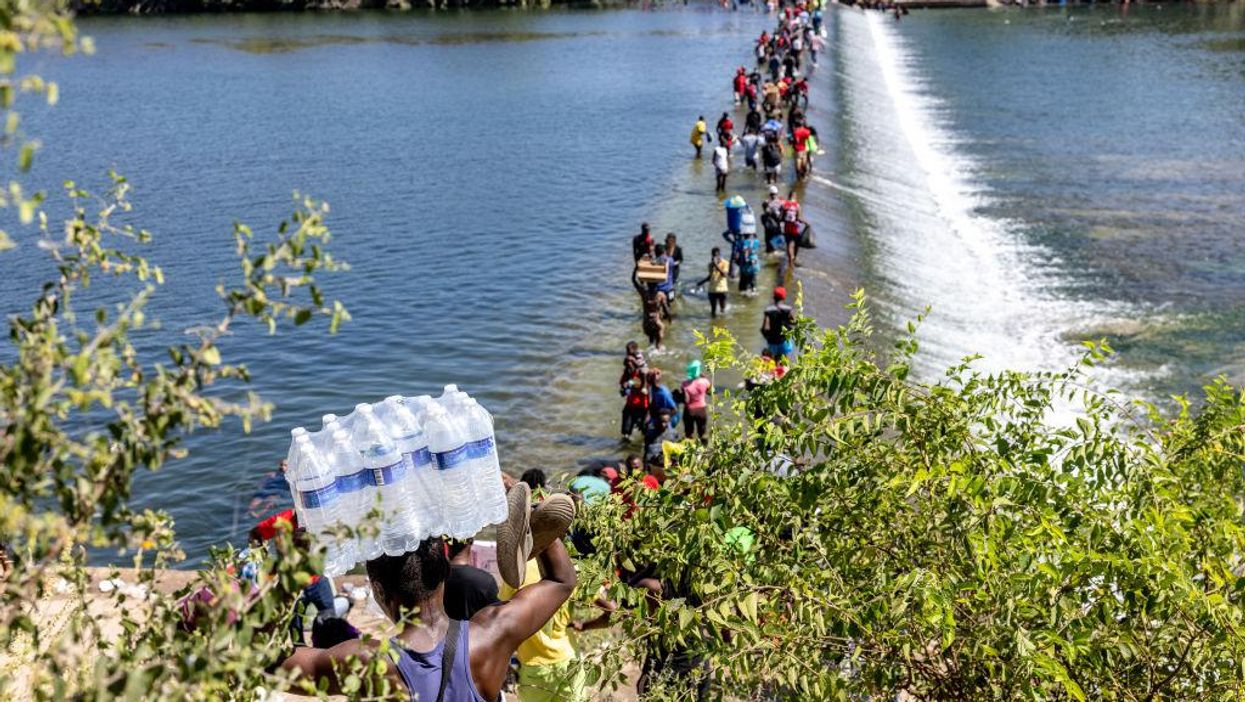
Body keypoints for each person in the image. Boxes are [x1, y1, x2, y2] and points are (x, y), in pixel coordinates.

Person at [280, 536, 577, 702]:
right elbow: (561, 580)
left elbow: (266, 662)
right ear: (446, 573)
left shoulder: (366, 663)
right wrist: (525, 509)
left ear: (379, 591)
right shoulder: (491, 634)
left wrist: (294, 564)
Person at [249, 509, 333, 646]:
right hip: (291, 585)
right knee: (295, 631)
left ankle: (323, 649)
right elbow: (255, 534)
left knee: (329, 620)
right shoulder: (282, 521)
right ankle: (304, 657)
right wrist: (264, 563)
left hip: (318, 581)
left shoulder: (320, 518)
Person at [444, 539, 501, 622]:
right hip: (475, 633)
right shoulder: (485, 581)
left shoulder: (435, 578)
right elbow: (496, 618)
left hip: (441, 633)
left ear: (446, 542)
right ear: (470, 542)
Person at [631, 268, 670, 351]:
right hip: (656, 321)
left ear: (647, 284)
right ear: (657, 285)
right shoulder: (660, 295)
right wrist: (669, 317)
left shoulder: (644, 293)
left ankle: (650, 358)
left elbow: (634, 281)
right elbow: (666, 309)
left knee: (651, 342)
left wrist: (636, 269)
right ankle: (658, 352)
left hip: (647, 322)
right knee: (659, 342)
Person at [680, 360, 713, 443]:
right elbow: (710, 393)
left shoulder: (684, 384)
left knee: (688, 433)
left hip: (689, 411)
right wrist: (705, 378)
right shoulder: (705, 382)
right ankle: (704, 450)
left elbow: (686, 400)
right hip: (701, 411)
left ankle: (689, 449)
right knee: (702, 433)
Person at [761, 286, 796, 360]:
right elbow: (795, 322)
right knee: (784, 360)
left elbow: (764, 328)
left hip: (772, 342)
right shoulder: (788, 310)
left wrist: (767, 337)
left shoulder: (768, 311)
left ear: (774, 297)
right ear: (784, 297)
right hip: (784, 342)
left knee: (773, 361)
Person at [620, 357, 651, 439]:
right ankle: (625, 447)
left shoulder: (643, 374)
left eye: (630, 367)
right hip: (630, 405)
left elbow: (652, 376)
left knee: (644, 430)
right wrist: (623, 389)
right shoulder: (626, 374)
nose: (629, 369)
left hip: (643, 407)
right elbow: (622, 387)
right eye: (627, 366)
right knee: (626, 431)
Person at [696, 248, 730, 318]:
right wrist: (702, 281)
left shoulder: (725, 263)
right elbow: (711, 276)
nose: (715, 257)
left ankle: (722, 325)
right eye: (713, 255)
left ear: (719, 255)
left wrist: (716, 266)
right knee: (713, 311)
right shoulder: (710, 265)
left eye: (717, 255)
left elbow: (724, 275)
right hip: (712, 290)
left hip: (722, 289)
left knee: (722, 311)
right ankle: (713, 325)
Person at [781, 193, 806, 268]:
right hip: (795, 227)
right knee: (795, 243)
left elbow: (782, 217)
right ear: (795, 197)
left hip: (787, 226)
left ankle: (790, 260)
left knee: (789, 245)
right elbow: (798, 219)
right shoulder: (797, 206)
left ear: (789, 196)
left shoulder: (785, 205)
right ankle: (793, 258)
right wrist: (806, 223)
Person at [735, 228, 761, 295]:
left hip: (744, 266)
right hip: (754, 265)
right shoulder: (756, 242)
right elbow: (757, 242)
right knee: (753, 283)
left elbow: (736, 257)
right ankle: (753, 292)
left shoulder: (740, 243)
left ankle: (743, 296)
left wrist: (739, 263)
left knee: (742, 286)